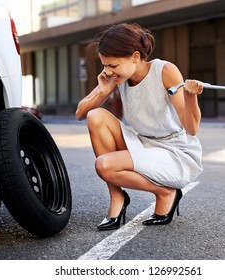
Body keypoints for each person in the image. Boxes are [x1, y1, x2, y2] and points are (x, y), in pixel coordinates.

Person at [76, 23, 203, 231]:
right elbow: (80, 113)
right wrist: (102, 90)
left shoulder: (165, 71)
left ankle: (165, 192)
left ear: (135, 57)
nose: (108, 71)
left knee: (104, 165)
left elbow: (192, 128)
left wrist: (190, 96)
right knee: (95, 116)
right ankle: (117, 197)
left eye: (113, 66)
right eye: (105, 65)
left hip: (174, 152)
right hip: (143, 144)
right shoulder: (119, 78)